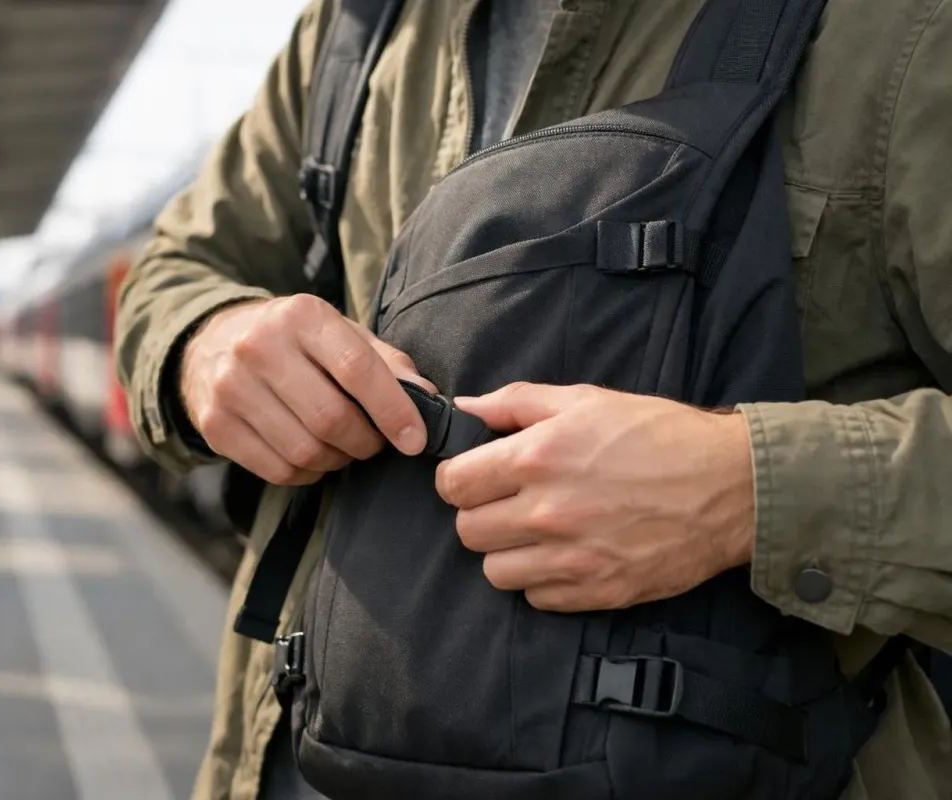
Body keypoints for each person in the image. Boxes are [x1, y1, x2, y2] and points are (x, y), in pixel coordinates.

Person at [115, 2, 952, 798]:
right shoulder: (357, 25)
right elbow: (177, 267)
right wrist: (205, 340)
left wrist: (752, 491)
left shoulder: (903, 30)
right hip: (301, 761)